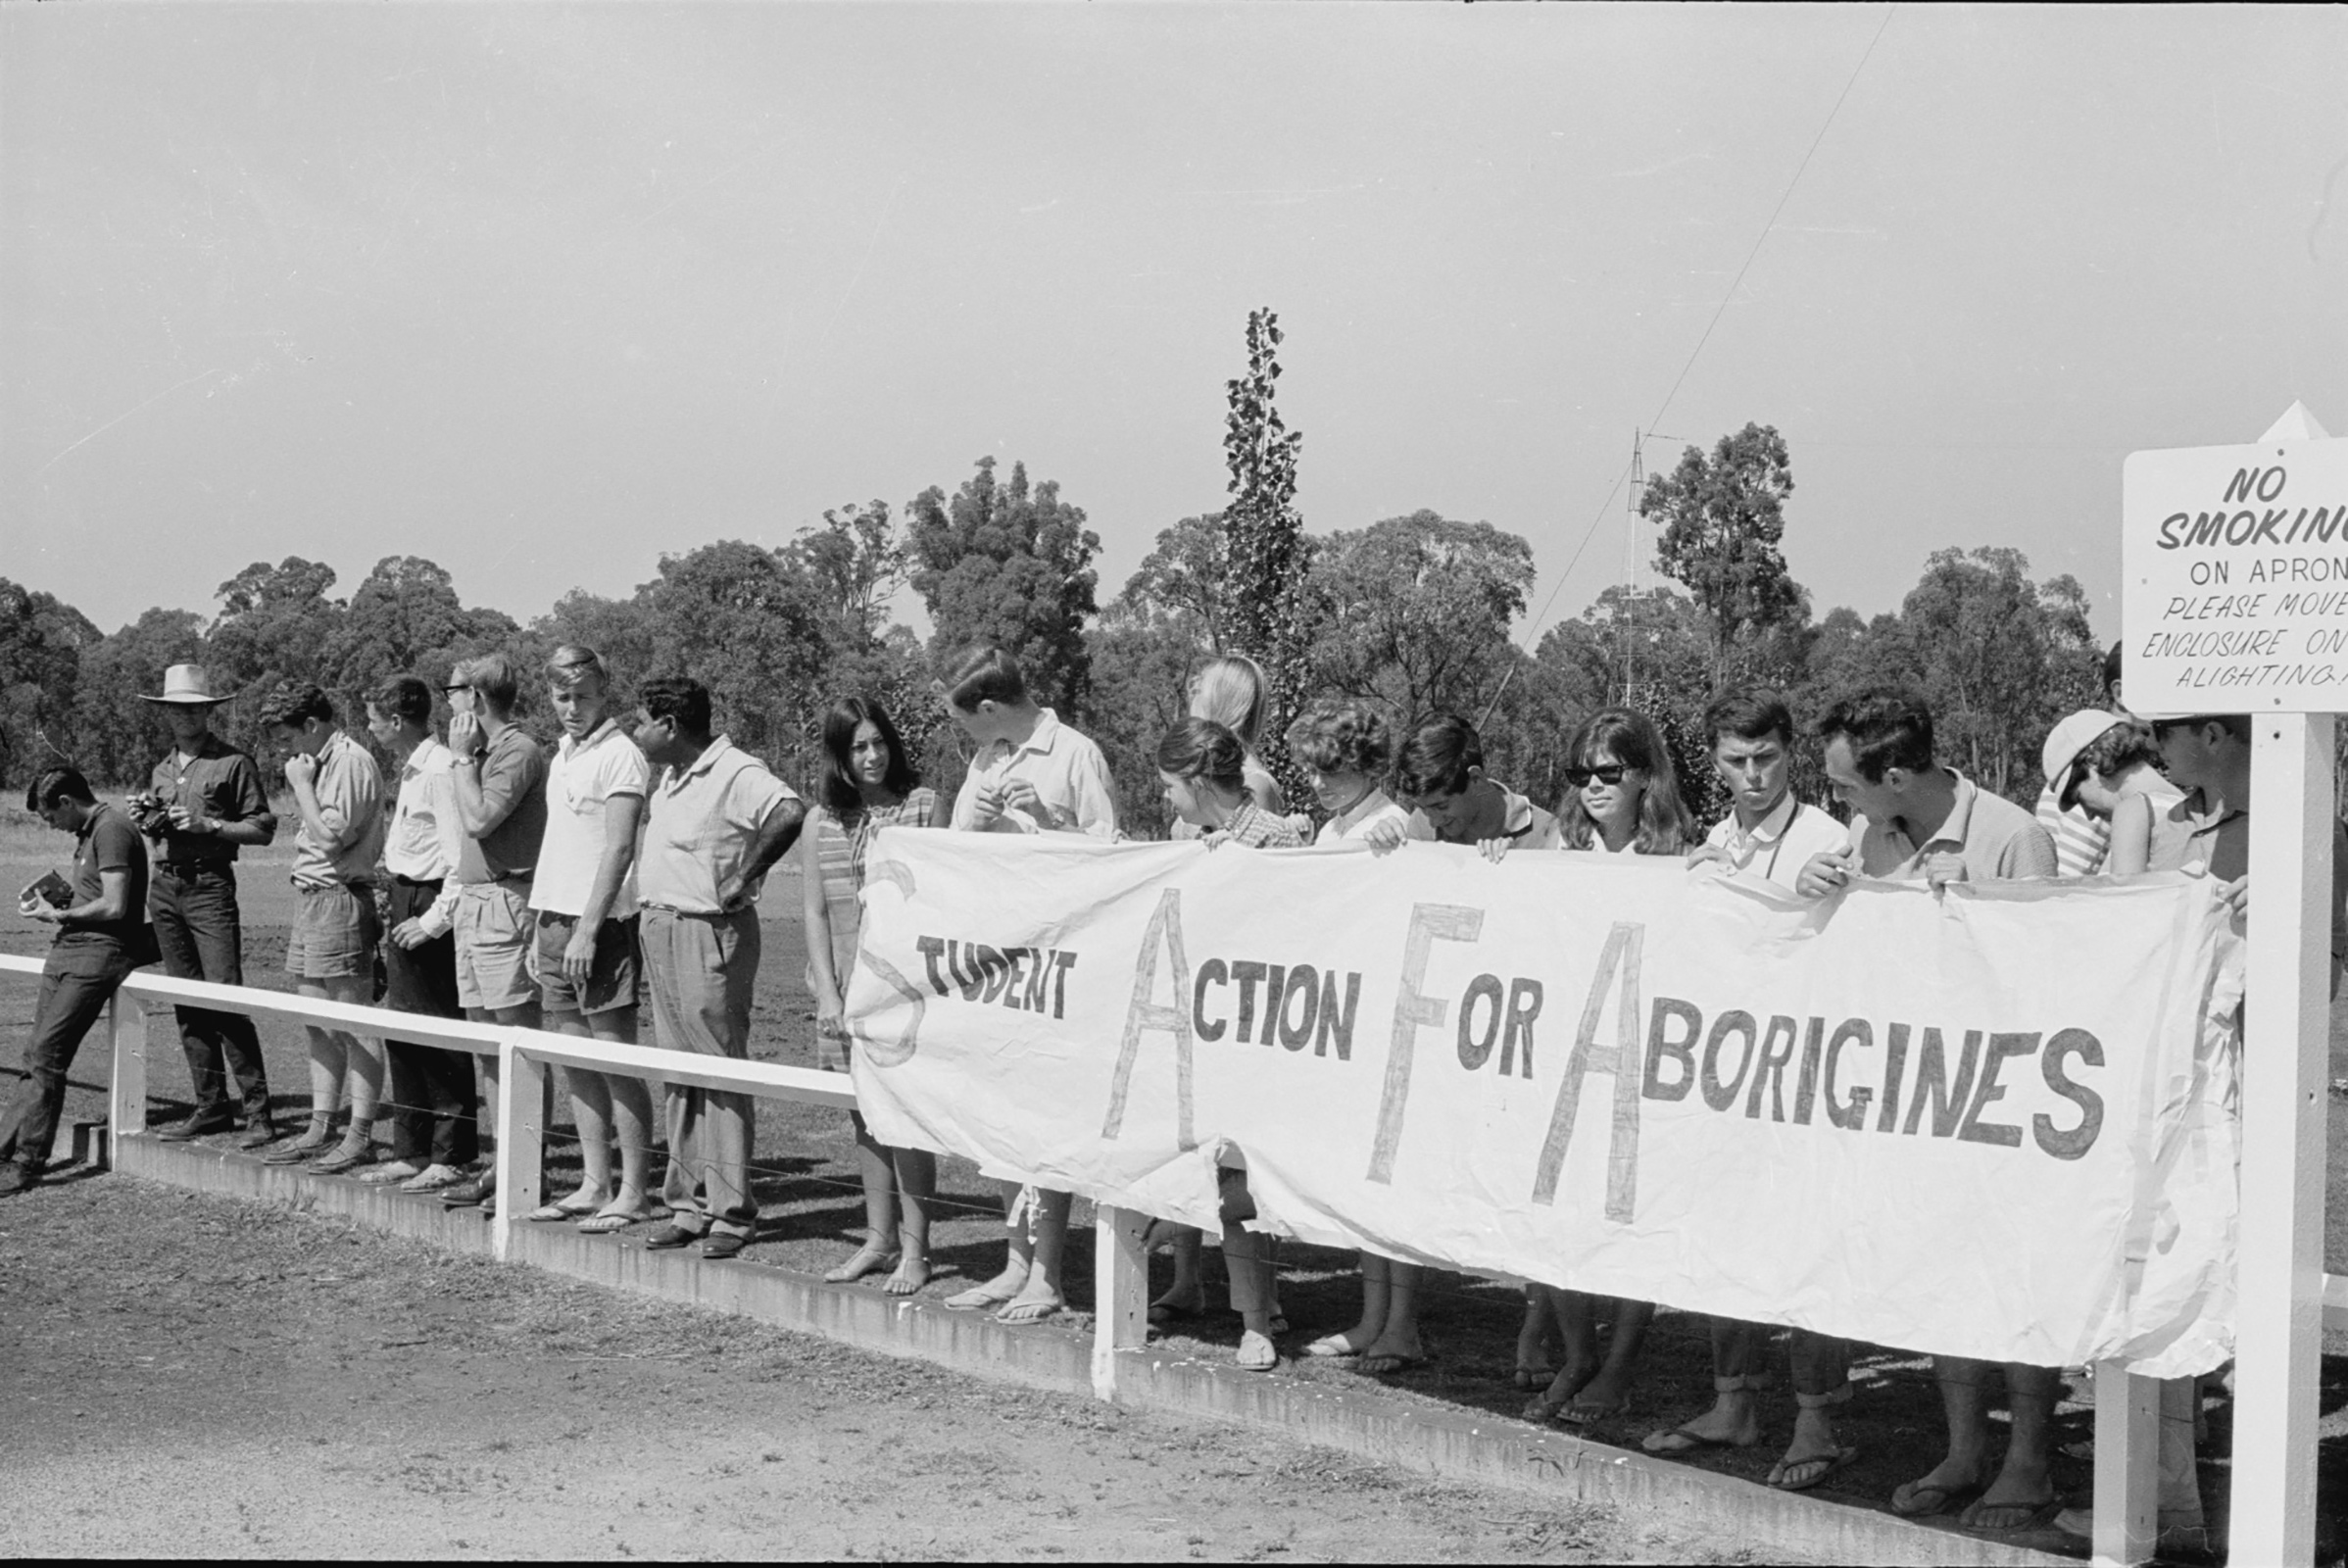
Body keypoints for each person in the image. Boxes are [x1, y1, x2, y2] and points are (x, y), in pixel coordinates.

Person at [2047, 710, 2348, 1553]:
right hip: (2167, 1101)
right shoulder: (2180, 826)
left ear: (2213, 734)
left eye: (2166, 738)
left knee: (2252, 1307)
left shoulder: (2308, 833)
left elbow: (2317, 986)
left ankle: (2261, 1517)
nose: (2154, 755)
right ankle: (2167, 1502)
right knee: (2160, 1291)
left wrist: (2280, 923)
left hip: (2254, 1104)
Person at [1791, 686, 2061, 1531]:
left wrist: (1983, 907)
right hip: (1911, 1102)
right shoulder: (1869, 833)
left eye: (1848, 787)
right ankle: (1964, 1448)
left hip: (2003, 1105)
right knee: (1947, 1280)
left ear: (1898, 774)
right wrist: (1815, 884)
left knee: (2013, 1285)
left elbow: (2056, 978)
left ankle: (2029, 1462)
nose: (1843, 802)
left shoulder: (2016, 836)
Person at [1646, 689, 1860, 1490]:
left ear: (1790, 750)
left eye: (1765, 757)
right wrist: (1691, 884)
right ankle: (1732, 1404)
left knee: (1803, 1252)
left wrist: (1828, 890)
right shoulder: (1716, 839)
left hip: (1803, 1079)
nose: (1752, 775)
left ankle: (1816, 1422)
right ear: (1713, 759)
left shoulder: (1827, 838)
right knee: (1723, 1240)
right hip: (1724, 1078)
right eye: (1735, 760)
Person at [1520, 707, 1692, 1430]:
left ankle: (1617, 1368)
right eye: (1579, 773)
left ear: (1644, 776)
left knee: (1624, 1220)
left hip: (1642, 1054)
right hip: (1565, 1051)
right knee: (1552, 1212)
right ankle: (1577, 1354)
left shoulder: (1680, 855)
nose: (1592, 787)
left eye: (1609, 773)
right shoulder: (1561, 846)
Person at [937, 644, 1116, 1324]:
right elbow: (959, 851)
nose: (967, 741)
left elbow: (1110, 854)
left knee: (1048, 1120)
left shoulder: (1076, 753)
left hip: (1056, 964)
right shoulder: (986, 758)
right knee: (998, 1121)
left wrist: (1048, 819)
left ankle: (1048, 1273)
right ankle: (1015, 1262)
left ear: (989, 708)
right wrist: (977, 823)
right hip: (993, 963)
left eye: (968, 725)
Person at [1276, 698, 1435, 1374]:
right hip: (1343, 1025)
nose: (1315, 781)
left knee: (1390, 1181)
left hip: (1389, 1026)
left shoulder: (1394, 824)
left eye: (1329, 769)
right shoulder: (1332, 826)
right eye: (1310, 769)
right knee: (1362, 1186)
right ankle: (1374, 1319)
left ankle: (1403, 1327)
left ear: (1365, 764)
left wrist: (1402, 852)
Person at [631, 676, 806, 1261]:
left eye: (642, 721)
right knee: (678, 1070)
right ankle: (686, 1202)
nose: (638, 731)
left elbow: (788, 812)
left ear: (670, 725)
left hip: (708, 933)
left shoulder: (735, 770)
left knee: (719, 1068)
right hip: (661, 926)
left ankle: (731, 1211)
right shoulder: (673, 777)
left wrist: (742, 877)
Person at [1155, 716, 1303, 1370]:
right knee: (1219, 1175)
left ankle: (1256, 1322)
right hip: (1210, 1037)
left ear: (1193, 780)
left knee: (1245, 1185)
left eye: (1169, 786)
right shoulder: (1199, 844)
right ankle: (1256, 1307)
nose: (1166, 799)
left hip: (1266, 1041)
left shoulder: (1278, 843)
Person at [801, 695, 946, 1292]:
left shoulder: (923, 807)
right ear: (839, 755)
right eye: (858, 746)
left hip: (908, 999)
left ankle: (917, 1250)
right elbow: (813, 913)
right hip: (844, 1000)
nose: (872, 756)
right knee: (864, 1118)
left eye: (879, 742)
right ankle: (878, 1239)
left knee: (906, 1118)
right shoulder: (821, 822)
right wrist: (829, 995)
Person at [526, 645, 655, 1235]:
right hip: (553, 924)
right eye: (561, 697)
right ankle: (594, 1182)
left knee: (614, 1062)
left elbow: (619, 849)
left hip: (599, 930)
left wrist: (586, 928)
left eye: (582, 696)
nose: (571, 708)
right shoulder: (563, 755)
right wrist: (541, 927)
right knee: (577, 1060)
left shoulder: (622, 755)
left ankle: (633, 1192)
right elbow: (561, 848)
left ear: (604, 692)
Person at [131, 663, 281, 1148]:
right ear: (165, 713)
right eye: (176, 708)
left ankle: (259, 1114)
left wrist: (209, 827)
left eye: (193, 708)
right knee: (189, 1001)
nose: (184, 716)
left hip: (209, 887)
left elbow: (262, 828)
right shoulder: (161, 768)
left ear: (208, 711)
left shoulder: (233, 763)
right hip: (166, 886)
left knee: (226, 998)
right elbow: (161, 827)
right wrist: (149, 819)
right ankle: (211, 1106)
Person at [433, 653, 550, 1216]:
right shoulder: (482, 754)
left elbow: (480, 820)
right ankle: (503, 1166)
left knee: (517, 1041)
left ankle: (528, 1169)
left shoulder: (517, 751)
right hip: (477, 903)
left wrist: (459, 761)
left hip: (507, 902)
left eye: (452, 692)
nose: (448, 703)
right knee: (487, 1045)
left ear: (475, 698)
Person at [257, 681, 388, 1174]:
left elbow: (333, 840)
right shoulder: (316, 763)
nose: (284, 751)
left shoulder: (349, 762)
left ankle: (359, 1134)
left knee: (354, 1023)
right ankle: (320, 1126)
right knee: (317, 1021)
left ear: (311, 726)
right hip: (310, 899)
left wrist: (303, 788)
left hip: (339, 899)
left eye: (287, 737)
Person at [1, 769, 149, 1197]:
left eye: (51, 816)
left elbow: (117, 905)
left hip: (98, 952)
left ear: (67, 801)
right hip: (70, 947)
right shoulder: (89, 833)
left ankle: (27, 1161)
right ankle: (5, 1151)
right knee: (35, 1053)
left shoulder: (112, 830)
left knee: (48, 1054)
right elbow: (95, 895)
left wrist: (59, 914)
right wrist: (63, 904)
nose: (52, 826)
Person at [360, 675, 476, 1193]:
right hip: (405, 899)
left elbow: (459, 860)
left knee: (440, 1031)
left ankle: (450, 1154)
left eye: (373, 719)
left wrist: (433, 923)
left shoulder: (440, 770)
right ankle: (411, 1149)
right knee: (403, 1030)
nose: (369, 728)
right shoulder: (410, 770)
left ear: (398, 720)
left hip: (429, 905)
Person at [2038, 710, 2182, 877]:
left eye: (2079, 798)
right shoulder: (2186, 806)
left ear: (2093, 761)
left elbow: (2122, 898)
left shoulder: (2134, 813)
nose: (2089, 815)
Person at [1171, 655, 1286, 831]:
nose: (1192, 699)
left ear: (1219, 701)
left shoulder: (1253, 783)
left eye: (1198, 689)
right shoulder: (1199, 773)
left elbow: (1256, 853)